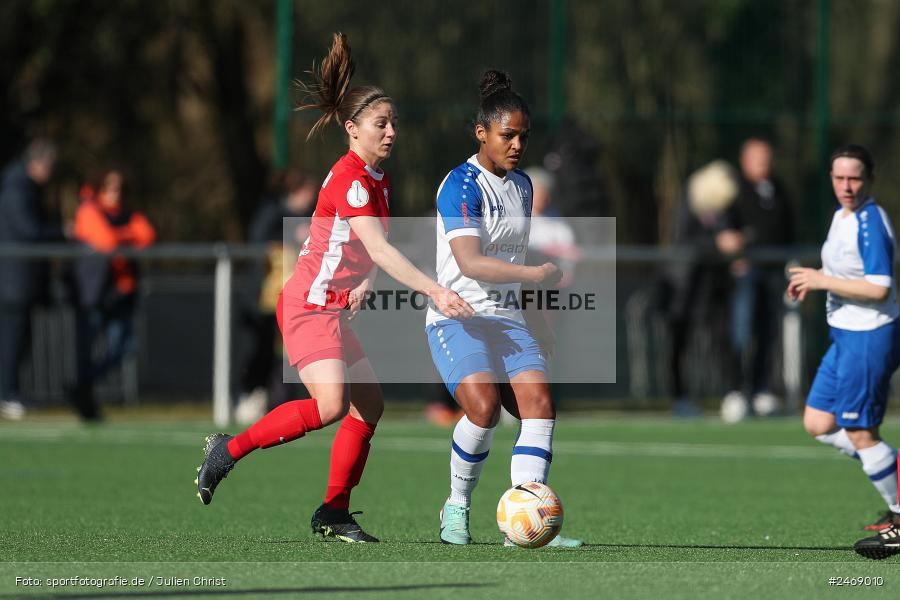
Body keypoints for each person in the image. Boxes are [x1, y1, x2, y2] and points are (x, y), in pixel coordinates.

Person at [195, 33, 473, 543]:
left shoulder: (375, 179)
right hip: (307, 306)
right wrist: (434, 291)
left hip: (334, 309)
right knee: (329, 406)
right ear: (352, 129)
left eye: (393, 123)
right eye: (380, 124)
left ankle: (334, 512)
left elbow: (372, 250)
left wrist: (365, 281)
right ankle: (227, 451)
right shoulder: (350, 179)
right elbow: (384, 250)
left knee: (370, 407)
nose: (391, 132)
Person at [427, 70, 581, 548]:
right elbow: (471, 262)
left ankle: (528, 517)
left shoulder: (523, 188)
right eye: (507, 135)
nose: (517, 145)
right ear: (482, 133)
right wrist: (536, 277)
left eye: (523, 136)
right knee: (484, 408)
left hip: (509, 320)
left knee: (539, 406)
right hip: (459, 317)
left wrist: (536, 319)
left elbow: (516, 258)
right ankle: (456, 508)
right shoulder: (460, 184)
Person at [788, 145, 900, 555]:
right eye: (839, 178)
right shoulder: (842, 216)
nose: (846, 186)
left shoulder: (870, 222)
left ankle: (899, 515)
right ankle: (895, 476)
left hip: (869, 337)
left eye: (854, 178)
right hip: (845, 336)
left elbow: (879, 286)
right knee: (819, 423)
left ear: (869, 179)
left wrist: (821, 282)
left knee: (860, 433)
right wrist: (813, 278)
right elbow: (840, 273)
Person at [72, 167, 156, 419]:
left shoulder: (127, 213)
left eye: (119, 189)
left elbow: (147, 235)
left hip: (122, 291)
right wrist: (126, 236)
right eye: (110, 188)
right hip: (95, 292)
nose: (115, 194)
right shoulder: (88, 211)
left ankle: (82, 387)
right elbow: (106, 241)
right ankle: (84, 396)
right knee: (88, 348)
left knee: (123, 347)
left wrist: (122, 236)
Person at [235, 169, 318, 423]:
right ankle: (252, 395)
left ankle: (283, 401)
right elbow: (260, 244)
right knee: (261, 350)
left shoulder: (302, 217)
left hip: (289, 297)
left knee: (286, 354)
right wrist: (294, 236)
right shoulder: (271, 214)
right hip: (266, 297)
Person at [721, 138, 794, 420]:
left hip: (774, 272)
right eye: (758, 158)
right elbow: (724, 228)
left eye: (767, 157)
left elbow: (788, 227)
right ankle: (735, 391)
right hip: (746, 273)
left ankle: (761, 390)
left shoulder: (779, 189)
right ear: (745, 160)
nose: (764, 163)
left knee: (768, 331)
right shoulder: (734, 190)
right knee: (741, 331)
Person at [663, 160, 743, 417]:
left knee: (721, 338)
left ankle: (734, 393)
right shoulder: (689, 202)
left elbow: (732, 234)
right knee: (679, 341)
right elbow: (685, 240)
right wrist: (717, 243)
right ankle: (680, 397)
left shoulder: (727, 207)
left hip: (715, 285)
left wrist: (737, 246)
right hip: (683, 286)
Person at [0, 138, 62, 420]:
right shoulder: (17, 187)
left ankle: (11, 392)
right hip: (14, 280)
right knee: (12, 338)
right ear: (38, 162)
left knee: (19, 338)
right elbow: (28, 230)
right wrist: (62, 232)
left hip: (20, 280)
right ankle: (7, 394)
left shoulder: (23, 187)